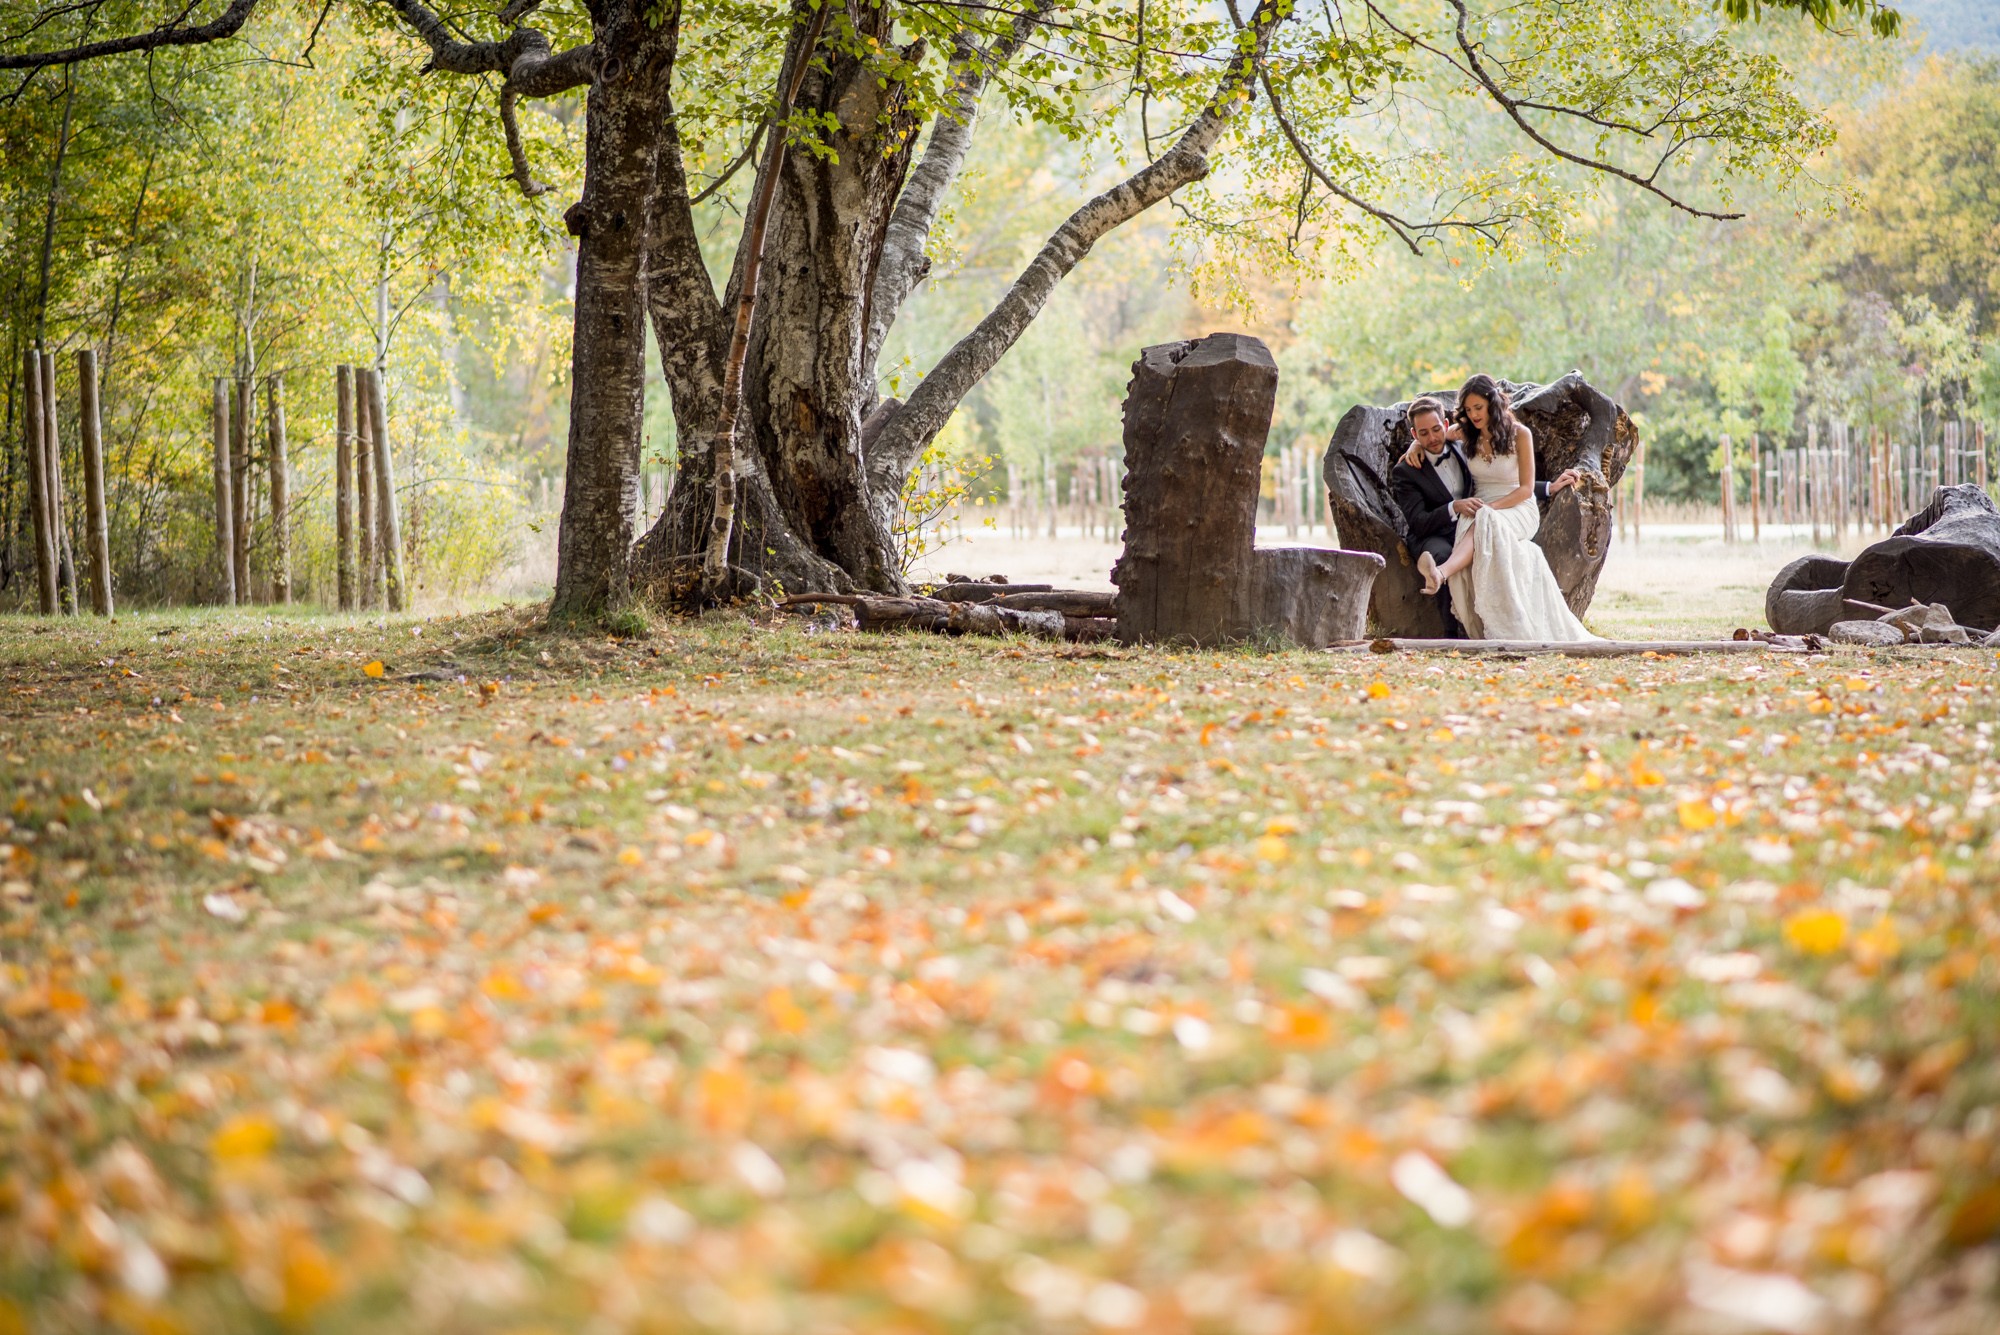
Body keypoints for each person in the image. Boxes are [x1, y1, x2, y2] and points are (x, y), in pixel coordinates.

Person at [1406, 375, 1596, 642]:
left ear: (1492, 404)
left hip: (1517, 506)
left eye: (1478, 408)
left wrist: (1490, 509)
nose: (1473, 415)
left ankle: (1441, 573)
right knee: (1481, 521)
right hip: (1479, 508)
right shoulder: (1464, 432)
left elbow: (1525, 489)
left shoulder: (1521, 434)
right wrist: (1415, 444)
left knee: (1484, 519)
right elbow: (1433, 435)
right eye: (1468, 410)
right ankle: (1449, 584)